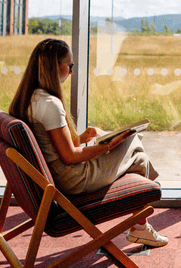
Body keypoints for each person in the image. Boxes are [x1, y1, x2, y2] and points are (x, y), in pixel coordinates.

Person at [9, 38, 168, 247]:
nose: (71, 71)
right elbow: (70, 156)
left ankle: (141, 226)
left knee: (139, 158)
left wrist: (83, 139)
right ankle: (148, 202)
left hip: (60, 176)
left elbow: (52, 145)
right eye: (70, 64)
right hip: (74, 180)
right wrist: (109, 145)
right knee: (133, 141)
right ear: (55, 66)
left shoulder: (29, 99)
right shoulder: (50, 104)